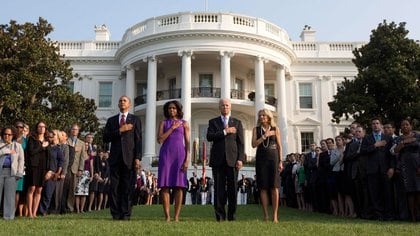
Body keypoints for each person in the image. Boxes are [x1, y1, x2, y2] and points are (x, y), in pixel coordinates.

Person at [103, 95, 142, 220]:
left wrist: (137, 158)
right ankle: (115, 213)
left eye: (124, 100)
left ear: (129, 104)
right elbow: (105, 138)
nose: (122, 102)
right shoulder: (111, 120)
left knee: (127, 187)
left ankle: (125, 213)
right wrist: (120, 130)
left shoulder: (135, 120)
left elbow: (138, 140)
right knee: (114, 187)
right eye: (120, 101)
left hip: (129, 159)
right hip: (115, 159)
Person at [207, 98, 244, 221]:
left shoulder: (237, 123)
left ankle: (232, 216)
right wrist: (225, 131)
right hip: (218, 160)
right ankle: (220, 216)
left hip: (233, 161)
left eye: (227, 105)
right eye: (222, 105)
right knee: (219, 189)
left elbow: (240, 143)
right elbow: (209, 137)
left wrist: (240, 159)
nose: (225, 107)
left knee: (233, 189)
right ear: (219, 107)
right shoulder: (213, 122)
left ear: (230, 107)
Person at [156, 100, 190, 221]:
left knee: (179, 186)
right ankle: (167, 217)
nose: (172, 110)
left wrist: (187, 159)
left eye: (174, 108)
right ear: (167, 110)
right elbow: (160, 140)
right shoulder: (163, 123)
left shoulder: (184, 123)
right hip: (166, 155)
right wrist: (171, 128)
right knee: (164, 186)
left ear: (178, 110)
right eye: (170, 108)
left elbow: (187, 143)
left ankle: (176, 217)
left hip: (179, 156)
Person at [251, 109, 283, 222]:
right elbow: (253, 144)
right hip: (261, 159)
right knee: (263, 187)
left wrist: (280, 161)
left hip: (273, 158)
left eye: (264, 115)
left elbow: (279, 146)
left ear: (269, 117)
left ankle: (275, 216)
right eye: (260, 115)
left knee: (274, 187)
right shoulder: (256, 129)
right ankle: (265, 215)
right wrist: (265, 136)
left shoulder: (276, 129)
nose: (261, 117)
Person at [360, 118, 395, 220]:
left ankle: (389, 215)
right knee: (375, 194)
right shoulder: (367, 138)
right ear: (371, 126)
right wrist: (375, 145)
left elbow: (391, 154)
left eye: (377, 123)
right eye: (373, 124)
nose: (375, 125)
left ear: (381, 125)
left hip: (386, 169)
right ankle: (378, 215)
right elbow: (363, 151)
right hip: (372, 170)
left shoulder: (387, 137)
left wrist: (392, 167)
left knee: (388, 193)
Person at [392, 118, 420, 222]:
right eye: (403, 125)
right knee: (410, 192)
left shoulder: (418, 136)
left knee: (418, 191)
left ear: (411, 126)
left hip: (417, 165)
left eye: (407, 125)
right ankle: (412, 216)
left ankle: (418, 215)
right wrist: (404, 142)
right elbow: (395, 150)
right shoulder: (398, 139)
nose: (405, 126)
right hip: (405, 167)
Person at [25, 121, 49, 218]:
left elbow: (49, 156)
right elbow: (31, 152)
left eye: (43, 127)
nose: (42, 128)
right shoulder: (32, 139)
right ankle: (30, 213)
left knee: (39, 189)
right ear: (37, 128)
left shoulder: (47, 140)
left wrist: (49, 170)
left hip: (43, 167)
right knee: (32, 188)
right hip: (33, 167)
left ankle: (34, 213)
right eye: (40, 126)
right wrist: (41, 146)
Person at [0, 127, 25, 220]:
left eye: (9, 134)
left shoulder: (17, 146)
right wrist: (7, 151)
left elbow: (21, 160)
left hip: (12, 173)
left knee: (10, 196)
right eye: (5, 134)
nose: (7, 136)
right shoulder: (0, 144)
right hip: (0, 171)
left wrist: (19, 173)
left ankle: (9, 216)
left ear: (13, 135)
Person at [39, 130, 64, 216]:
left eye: (51, 136)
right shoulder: (44, 146)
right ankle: (37, 210)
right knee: (39, 192)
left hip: (52, 174)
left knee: (47, 194)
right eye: (48, 137)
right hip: (42, 172)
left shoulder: (57, 149)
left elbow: (61, 162)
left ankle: (43, 211)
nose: (50, 138)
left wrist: (57, 173)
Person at [67, 124, 86, 213]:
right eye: (73, 129)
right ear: (70, 130)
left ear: (78, 131)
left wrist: (80, 169)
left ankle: (70, 207)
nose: (74, 131)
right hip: (66, 168)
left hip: (75, 169)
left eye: (76, 129)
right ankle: (62, 206)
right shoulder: (66, 141)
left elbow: (82, 158)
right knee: (64, 188)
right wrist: (73, 149)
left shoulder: (81, 143)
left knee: (72, 189)